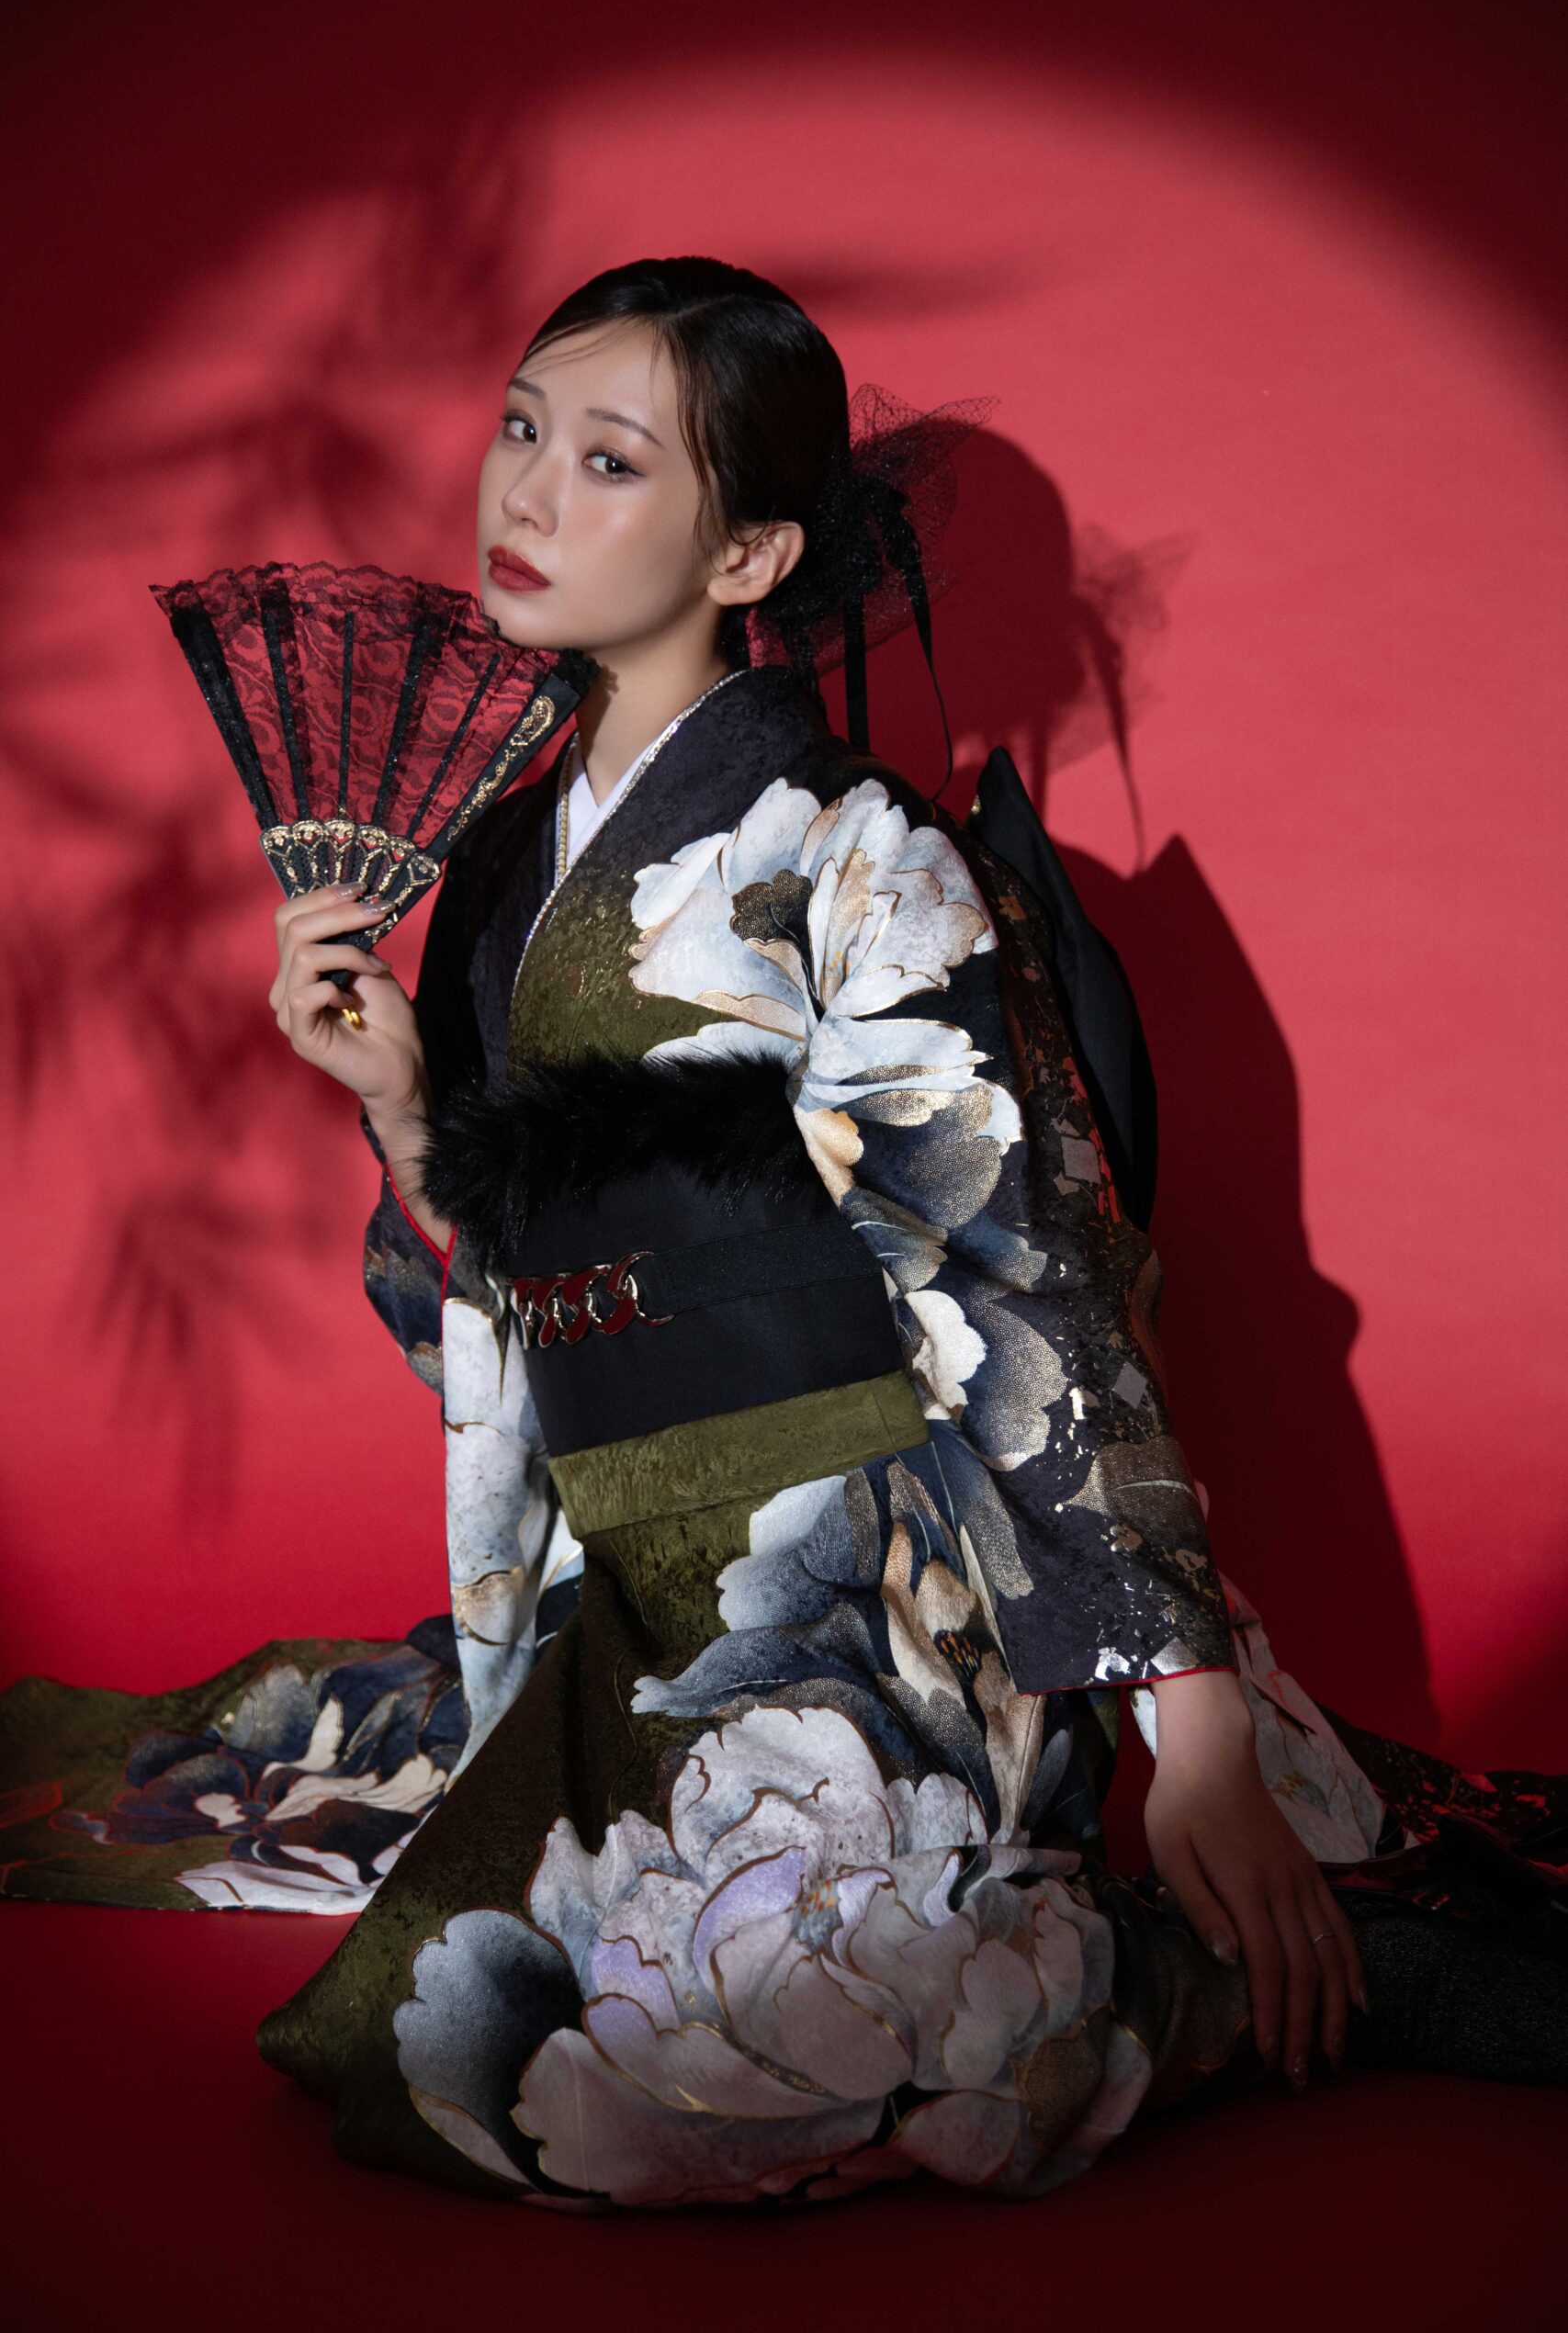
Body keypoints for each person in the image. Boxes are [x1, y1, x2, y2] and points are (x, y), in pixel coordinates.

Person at [5, 256, 1562, 2206]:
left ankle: (1244, 1980)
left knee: (700, 2053)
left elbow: (1020, 1277)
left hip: (877, 1560)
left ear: (746, 553)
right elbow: (501, 1297)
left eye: (608, 460)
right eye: (519, 430)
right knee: (472, 2021)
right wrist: (402, 1106)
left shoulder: (859, 852)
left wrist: (1196, 1729)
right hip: (619, 1550)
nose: (525, 492)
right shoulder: (495, 866)